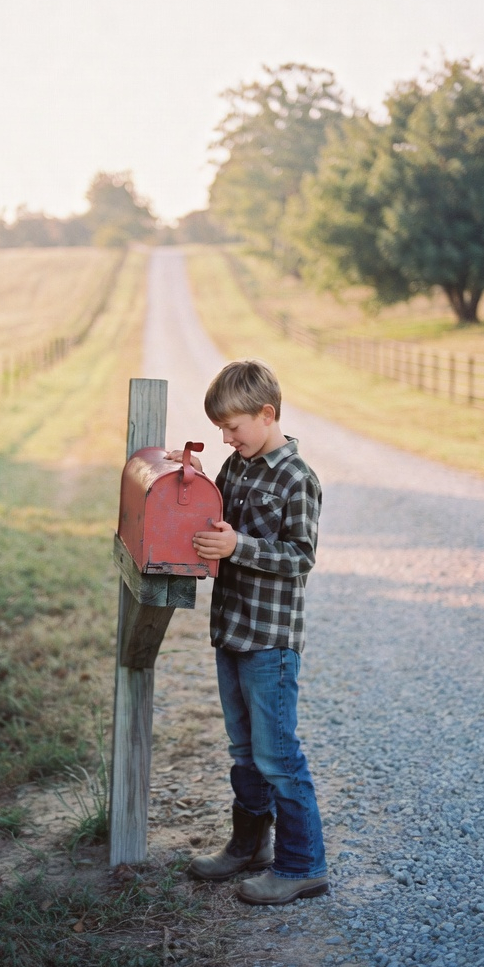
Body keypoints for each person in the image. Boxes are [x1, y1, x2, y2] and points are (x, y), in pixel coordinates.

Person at [170, 358, 327, 905]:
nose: (227, 438)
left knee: (278, 756)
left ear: (267, 414)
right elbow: (211, 517)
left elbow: (300, 558)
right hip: (231, 630)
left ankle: (303, 865)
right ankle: (248, 846)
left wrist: (240, 547)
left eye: (233, 428)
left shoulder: (296, 478)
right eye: (220, 430)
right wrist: (181, 481)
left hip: (270, 641)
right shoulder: (237, 466)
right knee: (243, 750)